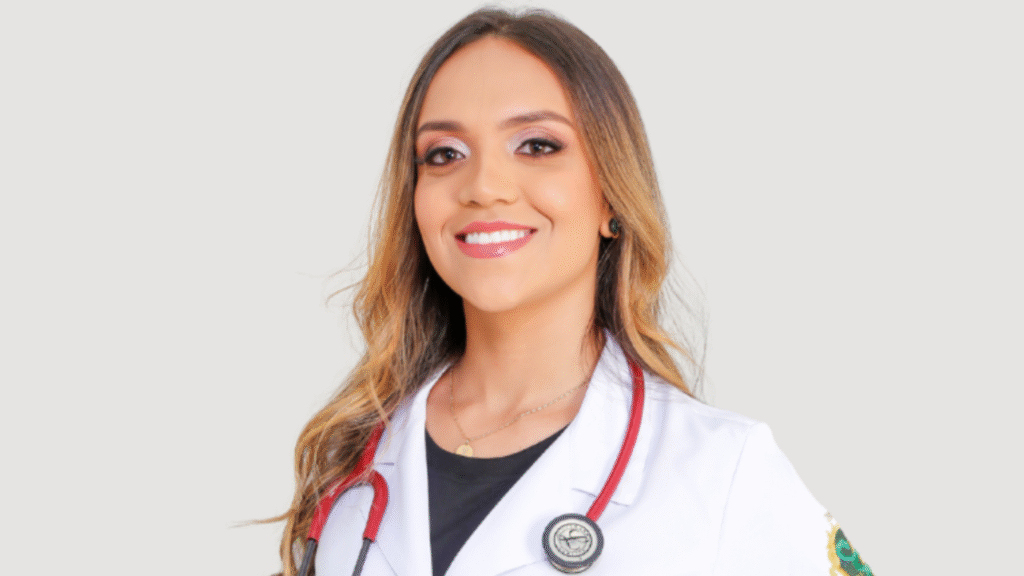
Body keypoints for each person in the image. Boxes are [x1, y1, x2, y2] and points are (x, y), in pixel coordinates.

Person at [273, 8, 872, 576]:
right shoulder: (352, 459)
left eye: (537, 146)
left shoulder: (723, 470)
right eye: (445, 154)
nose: (483, 186)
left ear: (612, 194)